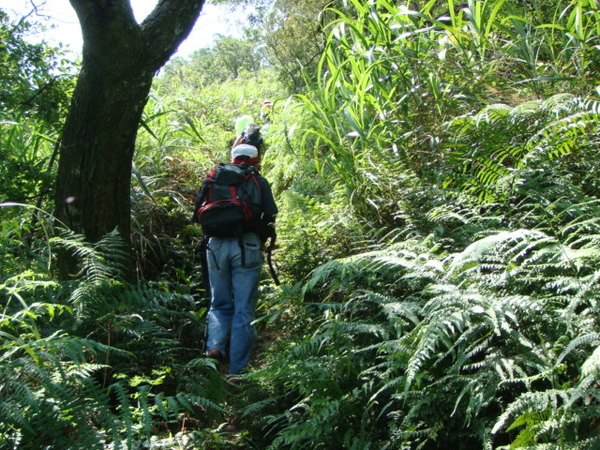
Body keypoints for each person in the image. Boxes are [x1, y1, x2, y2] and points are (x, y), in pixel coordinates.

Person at [193, 132, 277, 375]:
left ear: (233, 156)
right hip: (246, 246)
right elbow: (270, 215)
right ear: (256, 161)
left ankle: (215, 347)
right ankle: (237, 370)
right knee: (243, 308)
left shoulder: (214, 178)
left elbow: (197, 213)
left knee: (218, 303)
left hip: (215, 246)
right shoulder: (258, 181)